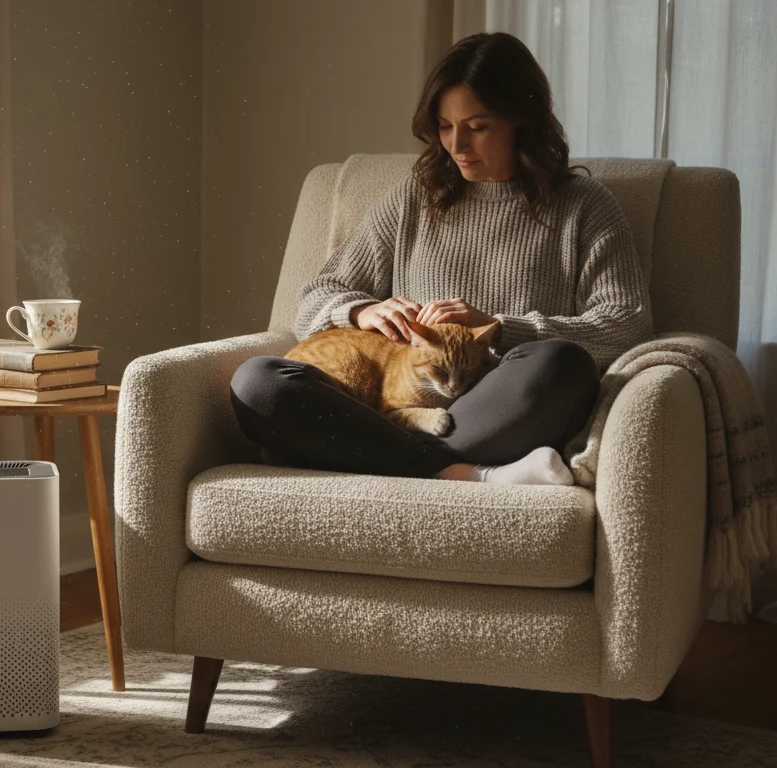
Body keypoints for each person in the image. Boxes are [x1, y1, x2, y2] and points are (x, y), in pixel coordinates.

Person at [229, 32, 653, 486]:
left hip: (498, 405)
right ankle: (471, 473)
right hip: (410, 406)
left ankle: (346, 449)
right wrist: (361, 308)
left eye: (477, 126)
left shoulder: (585, 206)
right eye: (445, 127)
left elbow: (626, 325)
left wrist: (500, 328)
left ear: (522, 121)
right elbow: (313, 299)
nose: (457, 145)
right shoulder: (415, 197)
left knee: (562, 365)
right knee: (258, 383)